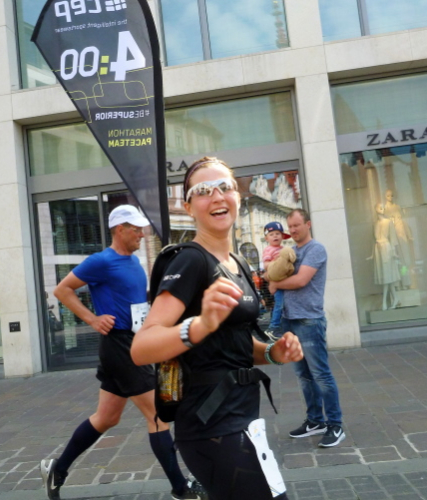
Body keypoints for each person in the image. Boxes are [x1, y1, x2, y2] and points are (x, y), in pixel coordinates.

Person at [131, 157, 303, 500]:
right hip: (210, 424)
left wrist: (273, 352)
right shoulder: (190, 260)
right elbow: (141, 348)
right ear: (188, 206)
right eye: (204, 190)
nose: (217, 196)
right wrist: (200, 324)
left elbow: (234, 344)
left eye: (225, 187)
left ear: (237, 196)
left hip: (243, 418)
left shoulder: (237, 262)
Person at [39, 205, 204, 500]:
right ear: (119, 229)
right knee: (157, 415)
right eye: (136, 229)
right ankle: (181, 489)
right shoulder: (101, 261)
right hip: (119, 346)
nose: (141, 234)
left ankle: (57, 469)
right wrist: (92, 319)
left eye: (142, 229)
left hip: (134, 342)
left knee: (106, 417)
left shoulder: (134, 262)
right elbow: (62, 290)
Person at [269, 208, 346, 447]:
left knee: (321, 375)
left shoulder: (316, 249)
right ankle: (315, 421)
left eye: (297, 225)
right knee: (303, 376)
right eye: (290, 226)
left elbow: (301, 280)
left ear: (308, 224)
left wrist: (276, 283)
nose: (292, 230)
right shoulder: (290, 251)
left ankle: (335, 425)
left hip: (309, 320)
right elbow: (274, 277)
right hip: (289, 319)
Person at [262, 221, 290, 335]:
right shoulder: (268, 250)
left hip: (285, 279)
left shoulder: (284, 249)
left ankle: (282, 326)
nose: (275, 236)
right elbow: (266, 265)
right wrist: (277, 263)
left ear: (282, 236)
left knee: (285, 304)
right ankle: (273, 326)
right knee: (280, 304)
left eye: (278, 234)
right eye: (272, 234)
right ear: (267, 238)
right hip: (277, 279)